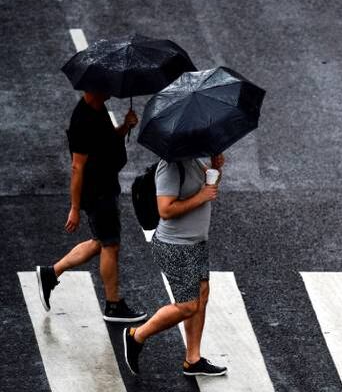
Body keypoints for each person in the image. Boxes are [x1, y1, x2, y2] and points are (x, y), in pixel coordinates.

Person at [35, 91, 147, 322]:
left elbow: (107, 142)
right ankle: (113, 305)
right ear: (93, 89)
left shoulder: (98, 110)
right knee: (110, 245)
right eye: (105, 85)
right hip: (97, 193)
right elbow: (77, 167)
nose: (111, 89)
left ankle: (50, 273)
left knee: (99, 242)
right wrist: (74, 208)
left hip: (105, 186)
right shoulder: (82, 120)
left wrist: (125, 126)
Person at [123, 154, 227, 377]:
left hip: (196, 242)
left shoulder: (193, 161)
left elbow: (208, 189)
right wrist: (201, 196)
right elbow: (166, 210)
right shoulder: (170, 167)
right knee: (188, 305)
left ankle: (193, 359)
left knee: (202, 296)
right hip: (176, 246)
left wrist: (216, 170)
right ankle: (136, 335)